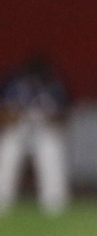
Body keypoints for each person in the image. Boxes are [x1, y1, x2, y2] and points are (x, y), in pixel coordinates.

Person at [0, 57, 71, 216]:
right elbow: (3, 110)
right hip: (18, 128)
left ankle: (55, 207)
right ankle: (2, 203)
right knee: (7, 155)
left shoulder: (53, 84)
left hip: (44, 130)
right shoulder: (14, 84)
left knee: (52, 154)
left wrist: (48, 118)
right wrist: (14, 117)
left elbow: (64, 113)